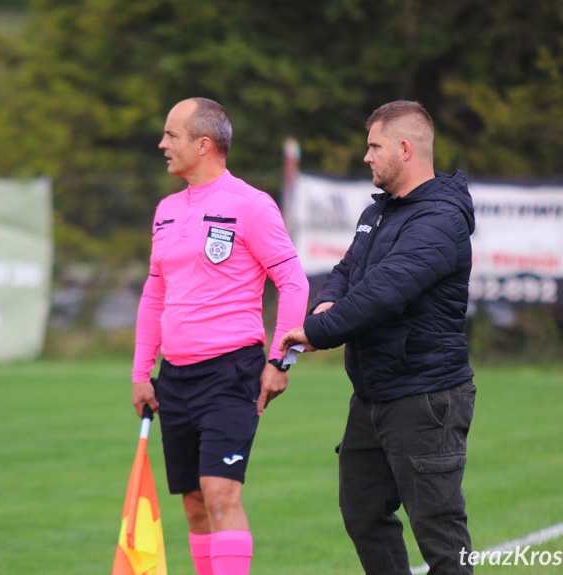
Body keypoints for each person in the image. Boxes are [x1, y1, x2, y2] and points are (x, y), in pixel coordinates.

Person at [279, 100, 476, 574]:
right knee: (363, 513)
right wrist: (327, 303)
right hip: (373, 393)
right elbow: (348, 270)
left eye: (374, 146)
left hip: (425, 395)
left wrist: (317, 329)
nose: (366, 156)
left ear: (405, 149)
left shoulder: (440, 221)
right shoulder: (381, 211)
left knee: (440, 533)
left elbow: (385, 293)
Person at [132, 97, 309, 575]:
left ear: (203, 144)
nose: (162, 144)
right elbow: (155, 293)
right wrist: (141, 372)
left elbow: (294, 283)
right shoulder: (166, 210)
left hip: (231, 371)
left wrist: (281, 360)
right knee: (193, 503)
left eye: (172, 135)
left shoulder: (251, 205)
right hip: (175, 377)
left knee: (220, 493)